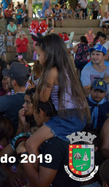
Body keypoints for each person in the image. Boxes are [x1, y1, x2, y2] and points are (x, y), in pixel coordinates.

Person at [26, 34, 90, 168]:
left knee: (31, 144)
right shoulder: (67, 66)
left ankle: (38, 177)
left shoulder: (51, 71)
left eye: (38, 55)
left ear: (48, 53)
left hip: (68, 117)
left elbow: (43, 97)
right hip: (79, 114)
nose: (37, 59)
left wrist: (37, 85)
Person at [16, 100, 81, 187]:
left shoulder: (53, 145)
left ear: (41, 112)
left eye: (35, 112)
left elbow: (41, 184)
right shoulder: (78, 133)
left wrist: (22, 154)